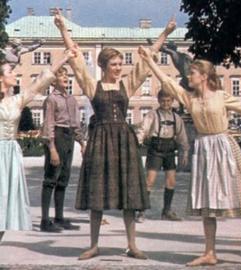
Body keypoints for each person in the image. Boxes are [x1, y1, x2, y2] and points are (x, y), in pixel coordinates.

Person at [137, 42, 241, 266]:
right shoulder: (190, 99)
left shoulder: (221, 96)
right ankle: (210, 252)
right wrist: (149, 60)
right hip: (204, 150)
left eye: (192, 73)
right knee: (207, 204)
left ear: (205, 76)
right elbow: (167, 81)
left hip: (225, 147)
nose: (188, 76)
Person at [54, 9, 174, 260]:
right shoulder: (92, 85)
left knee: (129, 195)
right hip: (100, 142)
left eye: (121, 64)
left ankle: (132, 244)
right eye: (115, 64)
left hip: (124, 143)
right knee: (97, 195)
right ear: (104, 65)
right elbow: (75, 61)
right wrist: (62, 29)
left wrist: (164, 33)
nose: (119, 68)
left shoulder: (126, 84)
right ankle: (94, 245)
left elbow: (146, 61)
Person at [0, 49, 76, 242]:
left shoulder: (16, 101)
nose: (15, 74)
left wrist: (64, 58)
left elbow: (40, 82)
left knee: (4, 211)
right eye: (10, 72)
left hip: (10, 154)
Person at [40, 65, 86, 232]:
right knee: (51, 177)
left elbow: (75, 124)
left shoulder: (71, 99)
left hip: (68, 138)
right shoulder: (51, 99)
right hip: (57, 136)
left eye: (67, 75)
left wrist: (82, 143)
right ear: (53, 81)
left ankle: (59, 217)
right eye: (61, 76)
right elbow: (48, 124)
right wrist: (51, 148)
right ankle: (45, 220)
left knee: (64, 178)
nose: (65, 78)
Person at [135, 89, 189, 222]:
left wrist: (185, 151)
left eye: (168, 101)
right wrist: (138, 142)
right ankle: (141, 211)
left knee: (171, 181)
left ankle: (167, 211)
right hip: (155, 149)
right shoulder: (152, 115)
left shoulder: (177, 118)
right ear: (159, 101)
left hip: (169, 149)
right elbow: (143, 129)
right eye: (163, 101)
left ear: (172, 101)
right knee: (150, 181)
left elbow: (182, 136)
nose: (166, 103)